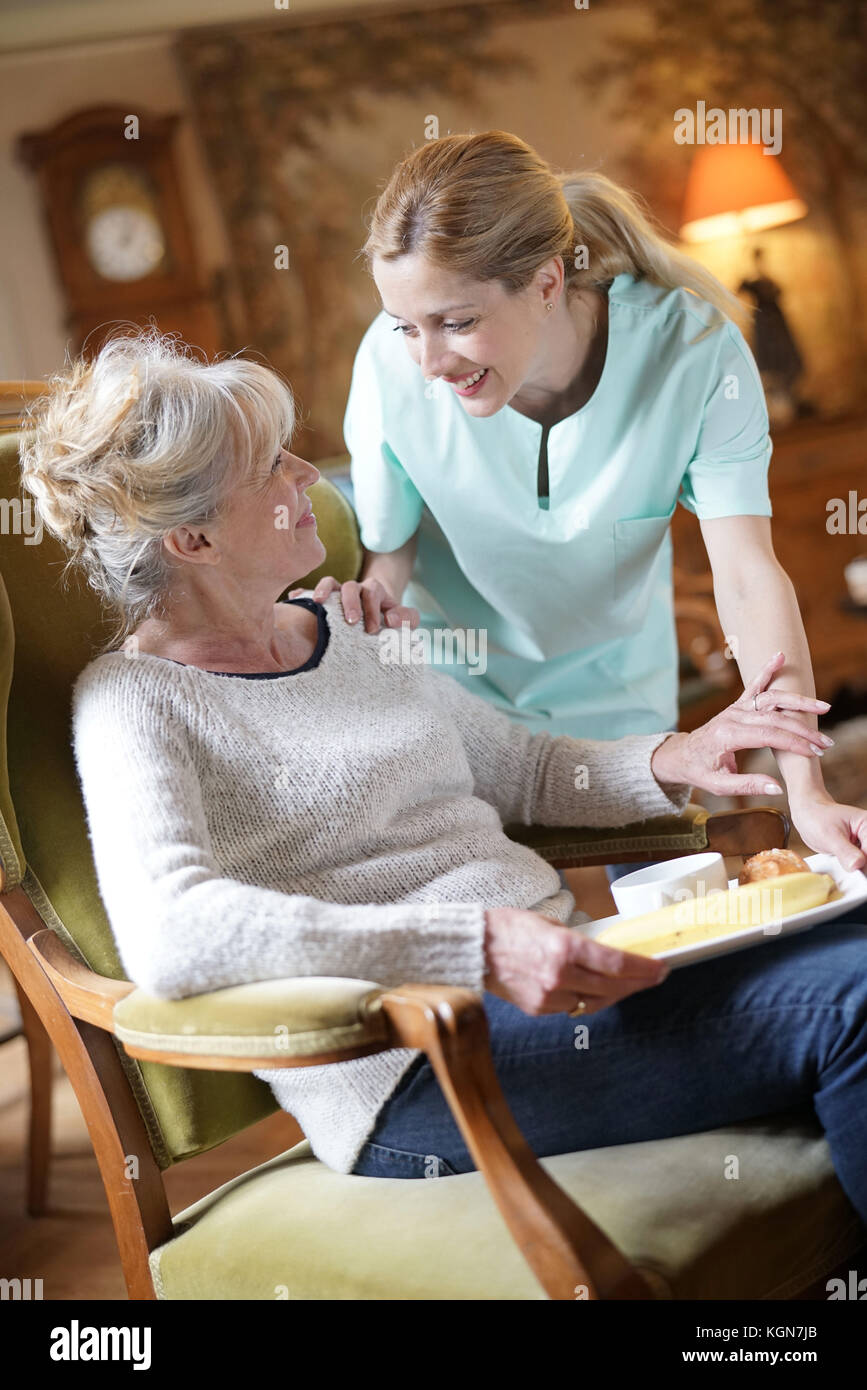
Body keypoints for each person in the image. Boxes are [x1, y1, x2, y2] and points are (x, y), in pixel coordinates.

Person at [19, 330, 867, 1222]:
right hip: (413, 1064)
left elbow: (520, 767)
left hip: (561, 978)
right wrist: (474, 945)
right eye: (270, 466)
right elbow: (174, 933)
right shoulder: (133, 703)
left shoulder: (347, 630)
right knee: (852, 1002)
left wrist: (674, 755)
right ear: (193, 536)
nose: (308, 476)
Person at [310, 130, 866, 877]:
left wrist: (807, 792)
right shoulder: (389, 368)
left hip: (624, 726)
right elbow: (389, 552)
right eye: (406, 326)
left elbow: (746, 575)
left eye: (458, 322)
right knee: (514, 934)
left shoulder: (692, 352)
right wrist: (364, 612)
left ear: (546, 282)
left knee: (674, 925)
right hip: (463, 722)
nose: (429, 362)